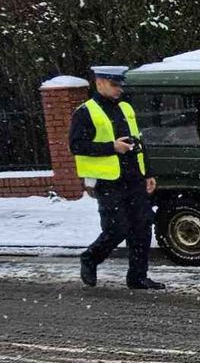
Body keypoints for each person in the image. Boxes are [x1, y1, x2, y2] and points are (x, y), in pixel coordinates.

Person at [70, 66, 165, 290]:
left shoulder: (125, 107)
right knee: (117, 228)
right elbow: (76, 145)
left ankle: (137, 277)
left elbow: (139, 142)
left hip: (134, 179)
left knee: (142, 227)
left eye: (120, 85)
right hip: (108, 182)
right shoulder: (86, 111)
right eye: (114, 85)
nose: (119, 90)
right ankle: (90, 258)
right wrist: (111, 147)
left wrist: (148, 173)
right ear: (99, 82)